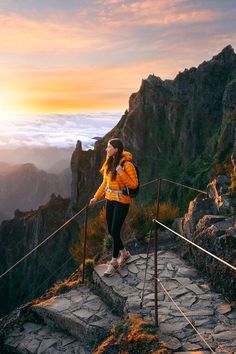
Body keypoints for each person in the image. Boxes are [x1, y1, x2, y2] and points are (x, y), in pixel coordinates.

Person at [89, 138, 138, 276]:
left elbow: (133, 184)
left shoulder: (127, 164)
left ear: (116, 149)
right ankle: (125, 254)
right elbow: (105, 183)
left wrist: (121, 172)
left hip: (122, 201)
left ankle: (114, 262)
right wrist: (96, 197)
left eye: (109, 147)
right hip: (109, 200)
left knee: (115, 230)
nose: (107, 149)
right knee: (111, 231)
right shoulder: (109, 163)